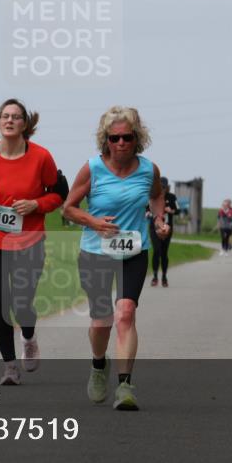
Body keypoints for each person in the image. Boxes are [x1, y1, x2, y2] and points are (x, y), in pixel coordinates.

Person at [63, 106, 170, 411]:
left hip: (133, 250)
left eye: (127, 137)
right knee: (102, 321)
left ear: (138, 138)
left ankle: (125, 385)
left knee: (125, 313)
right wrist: (93, 222)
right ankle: (99, 366)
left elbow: (157, 195)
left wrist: (160, 220)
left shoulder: (149, 169)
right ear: (105, 140)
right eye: (115, 138)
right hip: (96, 251)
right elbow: (68, 208)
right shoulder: (92, 168)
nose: (121, 143)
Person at [0, 99, 66, 386]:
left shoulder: (41, 157)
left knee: (22, 302)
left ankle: (28, 336)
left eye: (16, 117)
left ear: (25, 124)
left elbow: (57, 196)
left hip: (29, 241)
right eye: (4, 116)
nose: (10, 120)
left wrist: (36, 204)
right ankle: (9, 366)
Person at [149, 177, 178, 287]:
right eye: (160, 187)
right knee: (156, 250)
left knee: (164, 253)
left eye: (164, 187)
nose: (162, 189)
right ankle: (155, 276)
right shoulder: (152, 197)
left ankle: (164, 277)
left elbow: (178, 210)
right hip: (154, 227)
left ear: (167, 187)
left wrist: (171, 210)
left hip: (167, 227)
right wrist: (149, 213)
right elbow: (146, 208)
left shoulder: (172, 197)